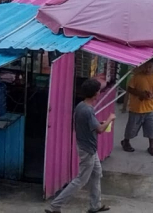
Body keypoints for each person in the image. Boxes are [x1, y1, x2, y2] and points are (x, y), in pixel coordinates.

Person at [46, 77, 114, 213]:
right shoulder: (88, 110)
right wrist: (110, 119)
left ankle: (95, 205)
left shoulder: (81, 106)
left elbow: (92, 125)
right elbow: (100, 130)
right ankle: (55, 205)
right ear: (96, 93)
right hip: (87, 149)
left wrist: (100, 123)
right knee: (81, 180)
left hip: (87, 147)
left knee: (96, 174)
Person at [121, 58, 153, 156]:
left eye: (150, 67)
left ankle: (151, 146)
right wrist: (140, 94)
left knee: (152, 128)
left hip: (150, 108)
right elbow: (130, 89)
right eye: (145, 67)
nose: (147, 69)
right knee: (131, 128)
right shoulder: (136, 77)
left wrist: (152, 96)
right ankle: (126, 141)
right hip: (136, 108)